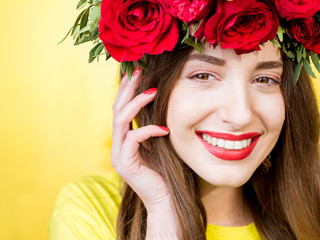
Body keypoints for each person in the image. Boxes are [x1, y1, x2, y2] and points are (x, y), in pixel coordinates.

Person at [50, 0, 320, 239]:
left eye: (264, 79)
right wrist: (162, 212)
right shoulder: (89, 210)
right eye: (203, 76)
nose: (240, 115)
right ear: (144, 89)